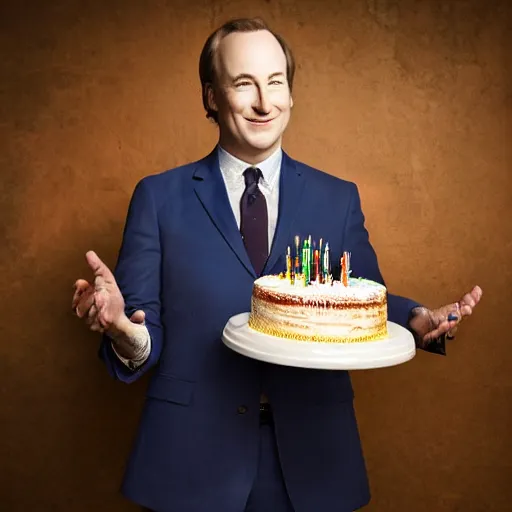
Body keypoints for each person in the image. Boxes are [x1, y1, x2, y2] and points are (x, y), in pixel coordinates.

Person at [72, 18, 482, 512]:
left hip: (313, 461)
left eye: (276, 82)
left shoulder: (339, 199)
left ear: (290, 93)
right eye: (244, 84)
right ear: (211, 97)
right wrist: (120, 328)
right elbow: (144, 335)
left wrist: (418, 320)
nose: (265, 103)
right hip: (190, 460)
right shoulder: (158, 198)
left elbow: (360, 298)